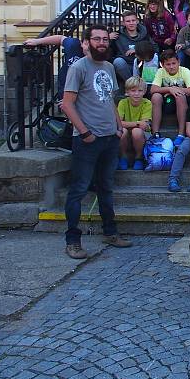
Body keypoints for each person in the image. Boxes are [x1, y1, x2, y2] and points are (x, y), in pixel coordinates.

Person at [62, 24, 131, 259]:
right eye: (97, 39)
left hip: (110, 137)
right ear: (87, 42)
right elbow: (67, 104)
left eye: (105, 39)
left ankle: (110, 232)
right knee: (78, 190)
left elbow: (108, 98)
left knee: (106, 188)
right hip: (87, 140)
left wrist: (119, 125)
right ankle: (73, 241)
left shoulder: (110, 67)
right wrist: (84, 133)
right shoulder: (78, 68)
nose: (102, 43)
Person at [150, 50, 190, 143]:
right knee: (155, 97)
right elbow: (153, 89)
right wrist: (170, 89)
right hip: (167, 102)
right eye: (168, 64)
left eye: (174, 63)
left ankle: (181, 134)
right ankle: (155, 133)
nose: (171, 67)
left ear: (179, 62)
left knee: (180, 95)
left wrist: (176, 89)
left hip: (182, 102)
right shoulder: (160, 71)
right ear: (162, 65)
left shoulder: (185, 71)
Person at [23, 34, 85, 100]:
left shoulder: (95, 59)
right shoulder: (74, 45)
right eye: (86, 41)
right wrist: (37, 41)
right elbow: (60, 38)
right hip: (65, 95)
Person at [117, 76, 151, 170]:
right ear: (127, 92)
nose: (136, 94)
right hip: (126, 133)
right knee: (122, 131)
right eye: (133, 91)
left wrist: (136, 124)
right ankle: (123, 156)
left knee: (136, 131)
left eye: (140, 91)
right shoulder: (123, 103)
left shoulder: (147, 103)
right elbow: (118, 123)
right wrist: (137, 123)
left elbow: (144, 125)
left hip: (141, 134)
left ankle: (138, 157)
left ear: (144, 92)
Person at [110, 10, 152, 82]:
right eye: (128, 21)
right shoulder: (117, 35)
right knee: (118, 61)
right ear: (123, 23)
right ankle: (133, 84)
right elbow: (109, 53)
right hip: (125, 66)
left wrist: (138, 50)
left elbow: (154, 49)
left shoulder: (145, 34)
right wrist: (107, 39)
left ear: (137, 21)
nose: (131, 23)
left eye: (133, 20)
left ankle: (137, 85)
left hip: (142, 64)